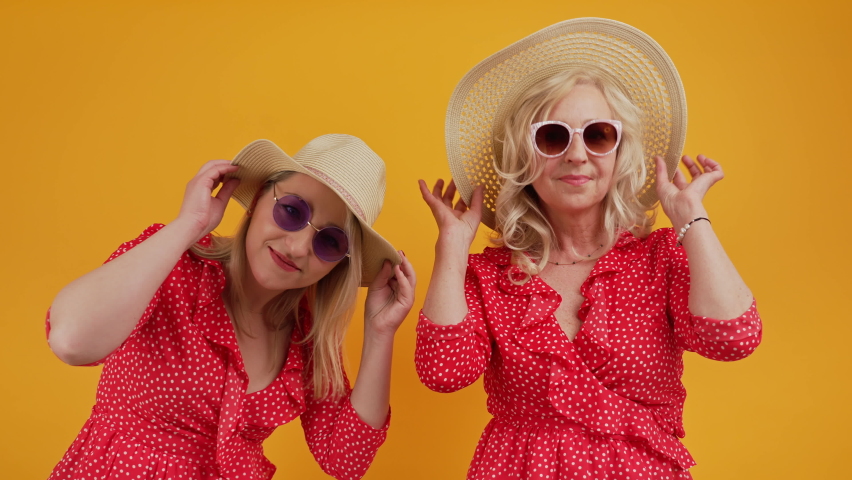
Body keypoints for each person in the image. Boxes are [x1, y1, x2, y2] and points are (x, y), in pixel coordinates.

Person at [416, 18, 762, 479]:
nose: (577, 155)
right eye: (552, 136)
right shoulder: (488, 276)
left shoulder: (660, 259)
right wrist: (452, 247)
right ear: (524, 155)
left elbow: (735, 338)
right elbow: (443, 373)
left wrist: (690, 217)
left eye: (598, 135)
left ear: (619, 153)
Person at [46, 134, 415, 480]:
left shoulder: (305, 342)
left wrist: (380, 333)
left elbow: (346, 460)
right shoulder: (175, 268)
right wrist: (189, 225)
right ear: (256, 201)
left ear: (340, 264)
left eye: (330, 242)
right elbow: (71, 340)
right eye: (291, 210)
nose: (299, 247)